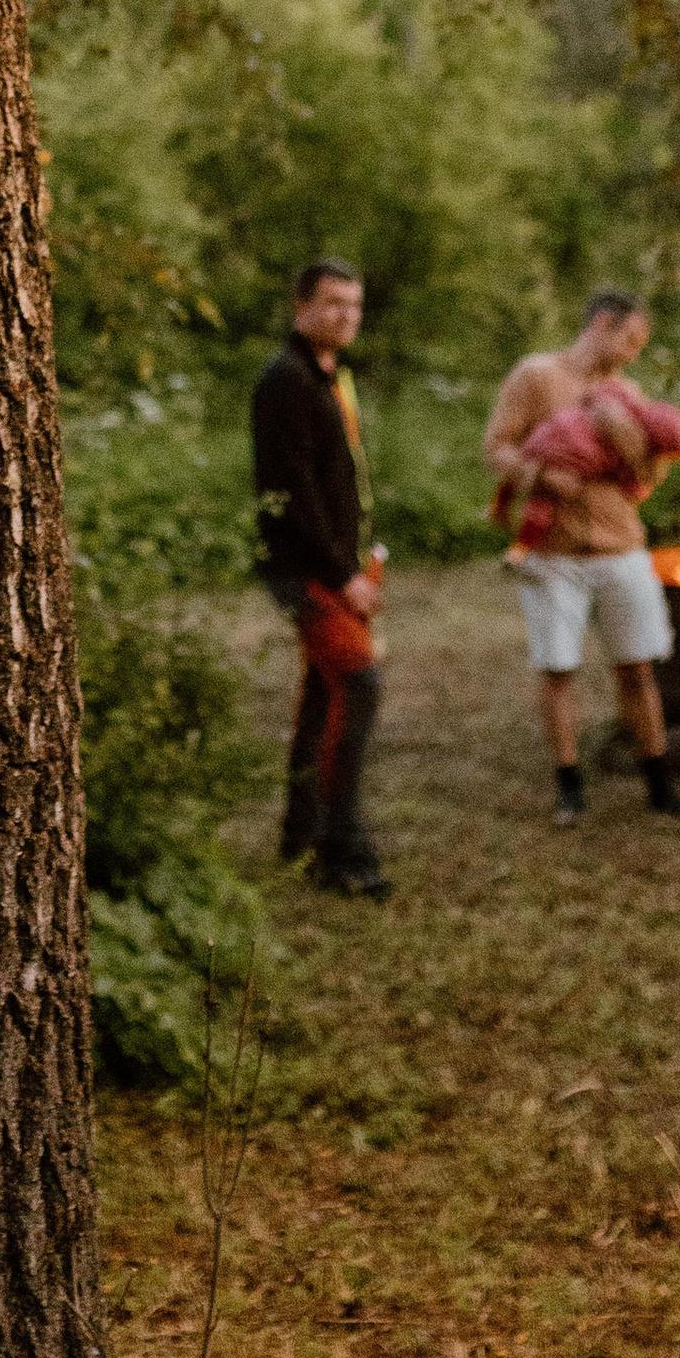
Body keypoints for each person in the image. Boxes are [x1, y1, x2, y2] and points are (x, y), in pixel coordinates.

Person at [484, 291, 680, 828]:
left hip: (621, 550)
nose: (633, 354)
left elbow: (647, 482)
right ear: (602, 324)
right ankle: (569, 788)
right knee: (558, 670)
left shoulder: (627, 393)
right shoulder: (536, 375)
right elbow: (494, 449)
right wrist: (539, 476)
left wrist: (630, 446)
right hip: (553, 554)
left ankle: (660, 785)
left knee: (638, 669)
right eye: (630, 340)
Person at [252, 259, 390, 900]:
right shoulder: (286, 381)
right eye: (333, 303)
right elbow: (292, 490)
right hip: (308, 571)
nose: (345, 316)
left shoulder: (332, 376)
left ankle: (299, 837)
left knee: (323, 698)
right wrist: (341, 575)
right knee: (357, 689)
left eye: (354, 306)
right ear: (301, 305)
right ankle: (343, 851)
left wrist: (362, 561)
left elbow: (338, 478)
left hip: (342, 565)